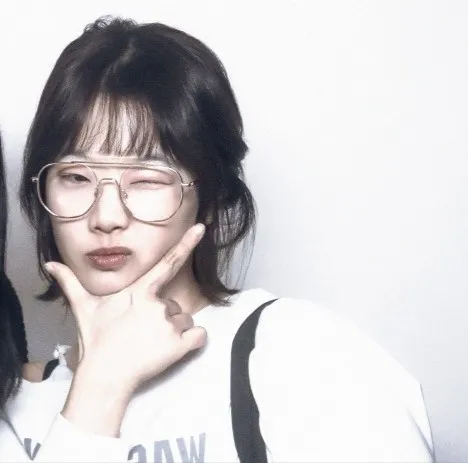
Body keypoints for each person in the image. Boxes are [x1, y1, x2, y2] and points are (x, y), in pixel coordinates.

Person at [1, 16, 434, 462]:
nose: (106, 217)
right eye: (75, 177)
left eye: (147, 179)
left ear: (209, 195)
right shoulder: (15, 405)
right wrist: (100, 387)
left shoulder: (302, 356)